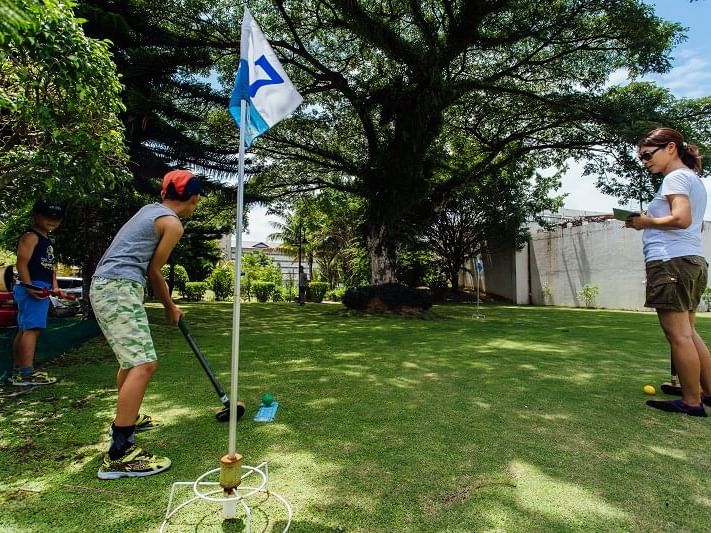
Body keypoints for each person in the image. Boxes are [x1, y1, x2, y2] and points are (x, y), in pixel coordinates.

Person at [90, 169, 202, 479]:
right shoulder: (173, 223)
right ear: (194, 198)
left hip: (107, 285)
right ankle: (120, 453)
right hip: (118, 288)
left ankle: (128, 418)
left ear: (165, 193)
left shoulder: (149, 211)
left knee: (131, 362)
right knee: (143, 363)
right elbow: (155, 270)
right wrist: (170, 307)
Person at [625, 127, 710, 417]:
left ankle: (691, 401)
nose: (645, 161)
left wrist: (644, 222)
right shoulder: (694, 180)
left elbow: (682, 218)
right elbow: (695, 225)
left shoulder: (675, 177)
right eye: (641, 157)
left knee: (679, 336)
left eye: (648, 155)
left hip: (671, 262)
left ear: (671, 148)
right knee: (689, 333)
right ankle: (706, 392)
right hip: (691, 261)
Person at [9, 200, 69, 386]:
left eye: (56, 218)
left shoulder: (46, 239)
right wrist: (30, 287)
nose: (52, 221)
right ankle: (25, 373)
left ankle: (20, 370)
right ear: (36, 215)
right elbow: (22, 263)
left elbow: (50, 267)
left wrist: (55, 286)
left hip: (40, 286)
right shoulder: (31, 236)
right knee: (32, 329)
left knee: (27, 328)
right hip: (32, 287)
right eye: (47, 216)